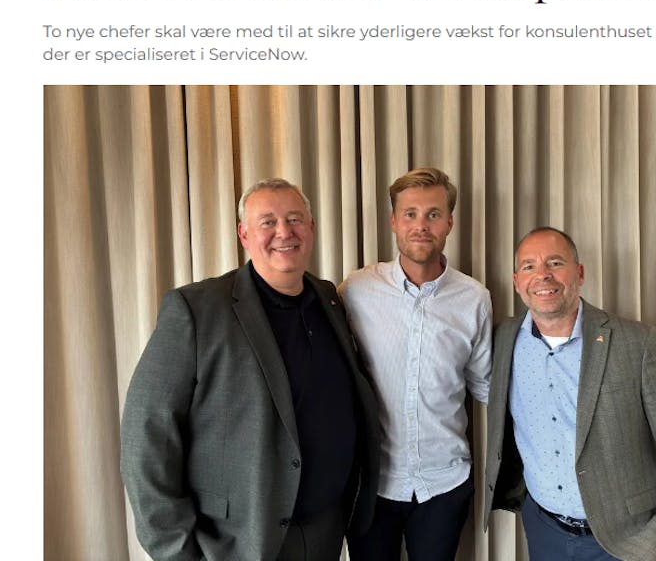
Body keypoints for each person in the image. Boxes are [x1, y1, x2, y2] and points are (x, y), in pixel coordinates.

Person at [120, 178, 380, 561]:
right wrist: (177, 551)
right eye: (268, 222)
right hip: (238, 540)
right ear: (244, 234)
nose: (284, 232)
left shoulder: (329, 298)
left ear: (311, 228)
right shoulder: (196, 309)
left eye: (294, 219)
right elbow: (146, 435)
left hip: (326, 530)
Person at [484, 227, 656, 561]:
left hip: (627, 541)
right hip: (543, 529)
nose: (543, 274)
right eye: (529, 266)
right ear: (517, 282)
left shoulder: (638, 344)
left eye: (555, 263)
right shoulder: (504, 338)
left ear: (579, 273)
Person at [339, 167, 492, 561]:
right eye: (410, 214)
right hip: (372, 485)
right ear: (393, 221)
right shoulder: (356, 290)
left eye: (433, 214)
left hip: (445, 482)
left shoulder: (475, 298)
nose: (421, 226)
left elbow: (486, 386)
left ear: (449, 222)